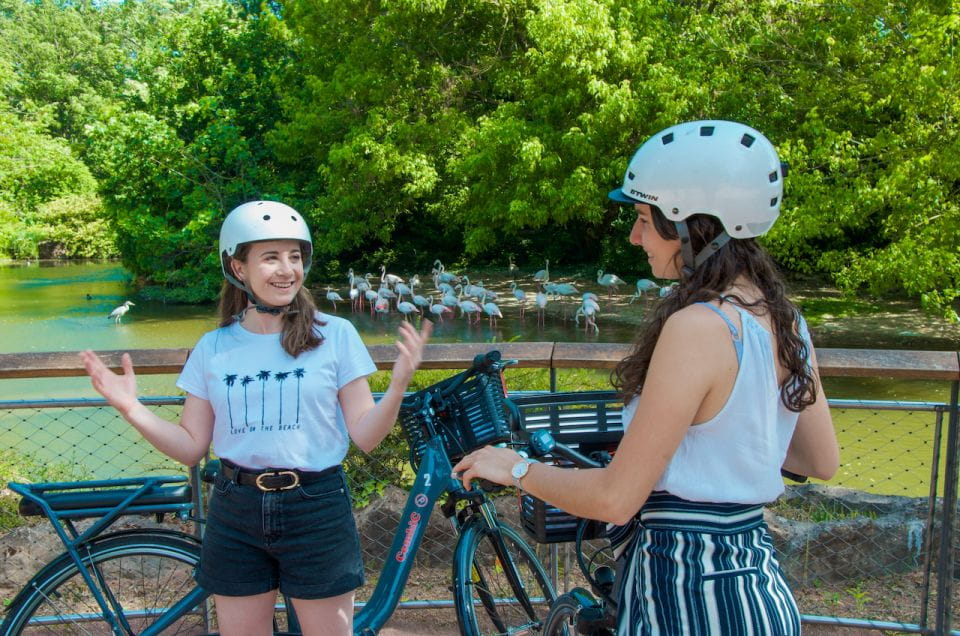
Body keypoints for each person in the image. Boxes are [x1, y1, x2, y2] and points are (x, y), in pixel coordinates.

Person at [453, 120, 839, 635]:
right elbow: (820, 459)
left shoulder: (698, 326)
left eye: (643, 218)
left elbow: (616, 498)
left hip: (685, 596)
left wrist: (514, 468)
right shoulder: (781, 318)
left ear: (692, 225)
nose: (635, 236)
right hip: (757, 591)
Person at [81, 200, 432, 636]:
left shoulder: (335, 335)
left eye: (295, 256)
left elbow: (365, 435)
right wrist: (132, 409)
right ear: (239, 267)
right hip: (236, 507)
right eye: (271, 257)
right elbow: (191, 445)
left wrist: (398, 385)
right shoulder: (213, 347)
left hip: (316, 506)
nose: (287, 269)